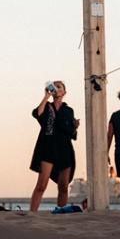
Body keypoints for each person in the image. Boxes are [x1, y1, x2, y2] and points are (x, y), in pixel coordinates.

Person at [29, 81, 79, 212]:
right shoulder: (47, 106)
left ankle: (60, 212)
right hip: (48, 147)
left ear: (64, 92)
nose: (56, 88)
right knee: (41, 185)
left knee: (63, 186)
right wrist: (46, 96)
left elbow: (70, 132)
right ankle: (32, 213)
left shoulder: (68, 110)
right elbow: (38, 114)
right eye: (54, 86)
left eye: (59, 86)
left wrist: (75, 127)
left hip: (64, 148)